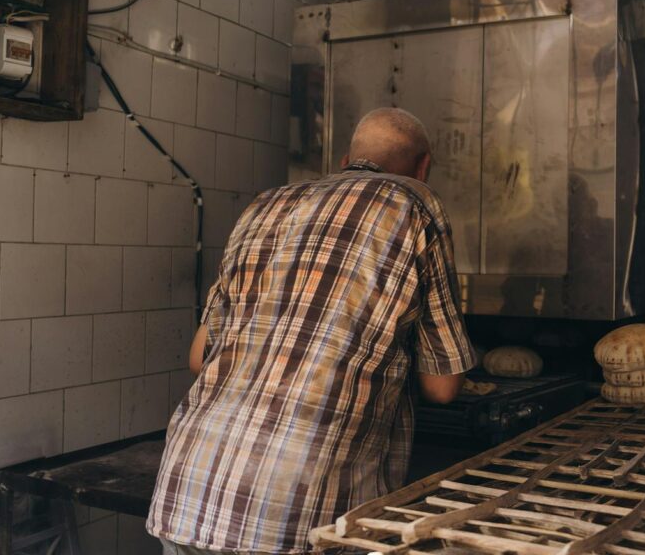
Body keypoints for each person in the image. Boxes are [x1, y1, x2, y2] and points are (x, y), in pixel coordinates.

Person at [146, 107, 476, 554]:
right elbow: (442, 388)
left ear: (344, 161)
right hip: (298, 503)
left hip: (189, 482)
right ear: (424, 167)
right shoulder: (415, 203)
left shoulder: (265, 205)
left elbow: (198, 357)